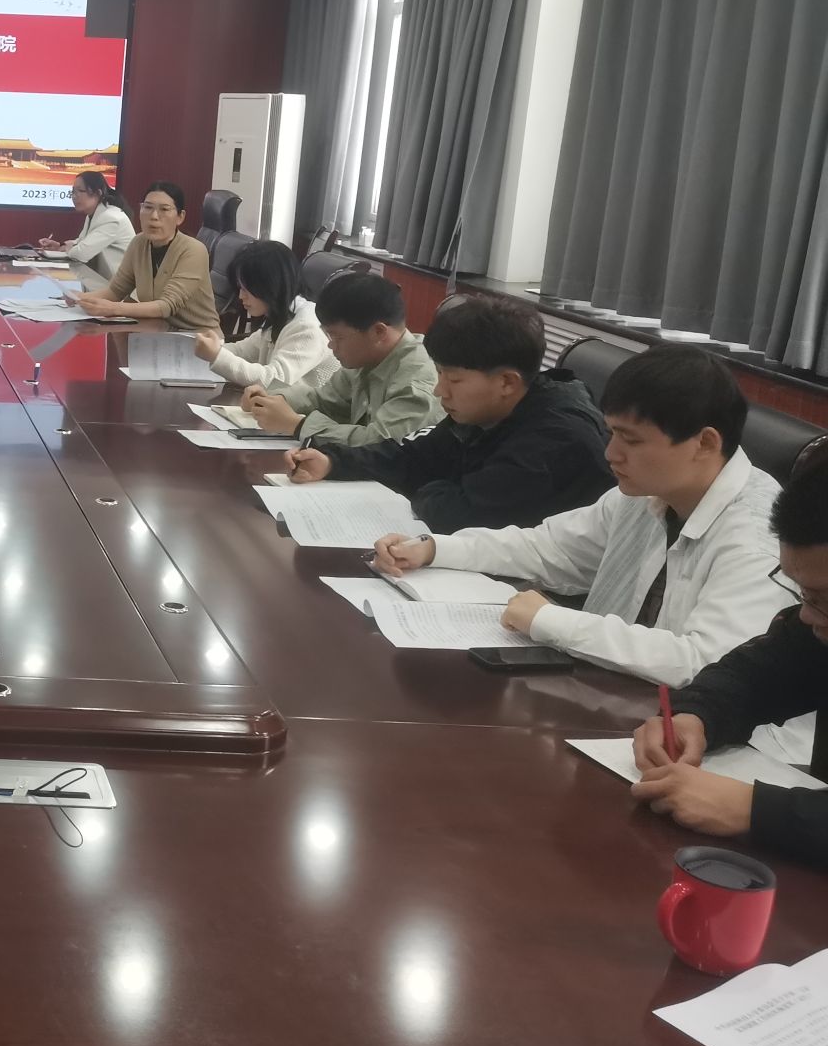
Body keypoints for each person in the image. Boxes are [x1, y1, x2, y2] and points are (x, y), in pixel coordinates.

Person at [372, 346, 793, 704]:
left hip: (714, 745)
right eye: (612, 434)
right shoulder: (645, 493)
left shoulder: (759, 536)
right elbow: (547, 548)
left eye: (631, 440)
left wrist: (552, 620)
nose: (611, 453)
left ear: (705, 442)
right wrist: (435, 548)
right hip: (611, 699)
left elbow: (707, 663)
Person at [630, 455, 828, 866]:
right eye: (803, 593)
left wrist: (752, 811)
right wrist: (696, 715)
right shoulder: (817, 624)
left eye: (823, 599)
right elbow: (760, 671)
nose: (808, 615)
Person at [282, 294, 612, 532]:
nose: (440, 390)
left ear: (506, 382)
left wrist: (437, 483)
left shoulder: (556, 439)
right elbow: (412, 457)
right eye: (439, 374)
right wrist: (333, 461)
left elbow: (455, 515)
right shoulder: (484, 410)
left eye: (453, 379)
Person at [241, 272, 442, 446]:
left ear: (378, 332)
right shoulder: (365, 358)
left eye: (337, 337)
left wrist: (298, 425)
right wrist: (274, 399)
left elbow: (380, 443)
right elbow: (324, 400)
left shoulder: (417, 380)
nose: (331, 345)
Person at [193, 240, 338, 393]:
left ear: (270, 285)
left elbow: (274, 381)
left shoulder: (307, 327)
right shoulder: (281, 313)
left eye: (246, 289)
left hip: (302, 407)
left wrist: (217, 355)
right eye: (240, 288)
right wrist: (209, 348)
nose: (241, 296)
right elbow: (243, 351)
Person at [71, 180, 217, 330]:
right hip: (155, 330)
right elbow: (115, 291)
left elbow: (166, 306)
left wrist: (112, 308)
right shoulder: (138, 243)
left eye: (164, 209)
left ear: (180, 217)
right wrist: (79, 298)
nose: (154, 216)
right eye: (148, 207)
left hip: (198, 337)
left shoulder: (194, 250)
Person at [35, 171, 135, 280]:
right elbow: (81, 242)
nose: (74, 196)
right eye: (73, 191)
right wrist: (60, 246)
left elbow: (80, 254)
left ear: (98, 193)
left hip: (119, 287)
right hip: (103, 282)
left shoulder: (111, 218)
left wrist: (69, 248)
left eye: (80, 191)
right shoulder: (93, 214)